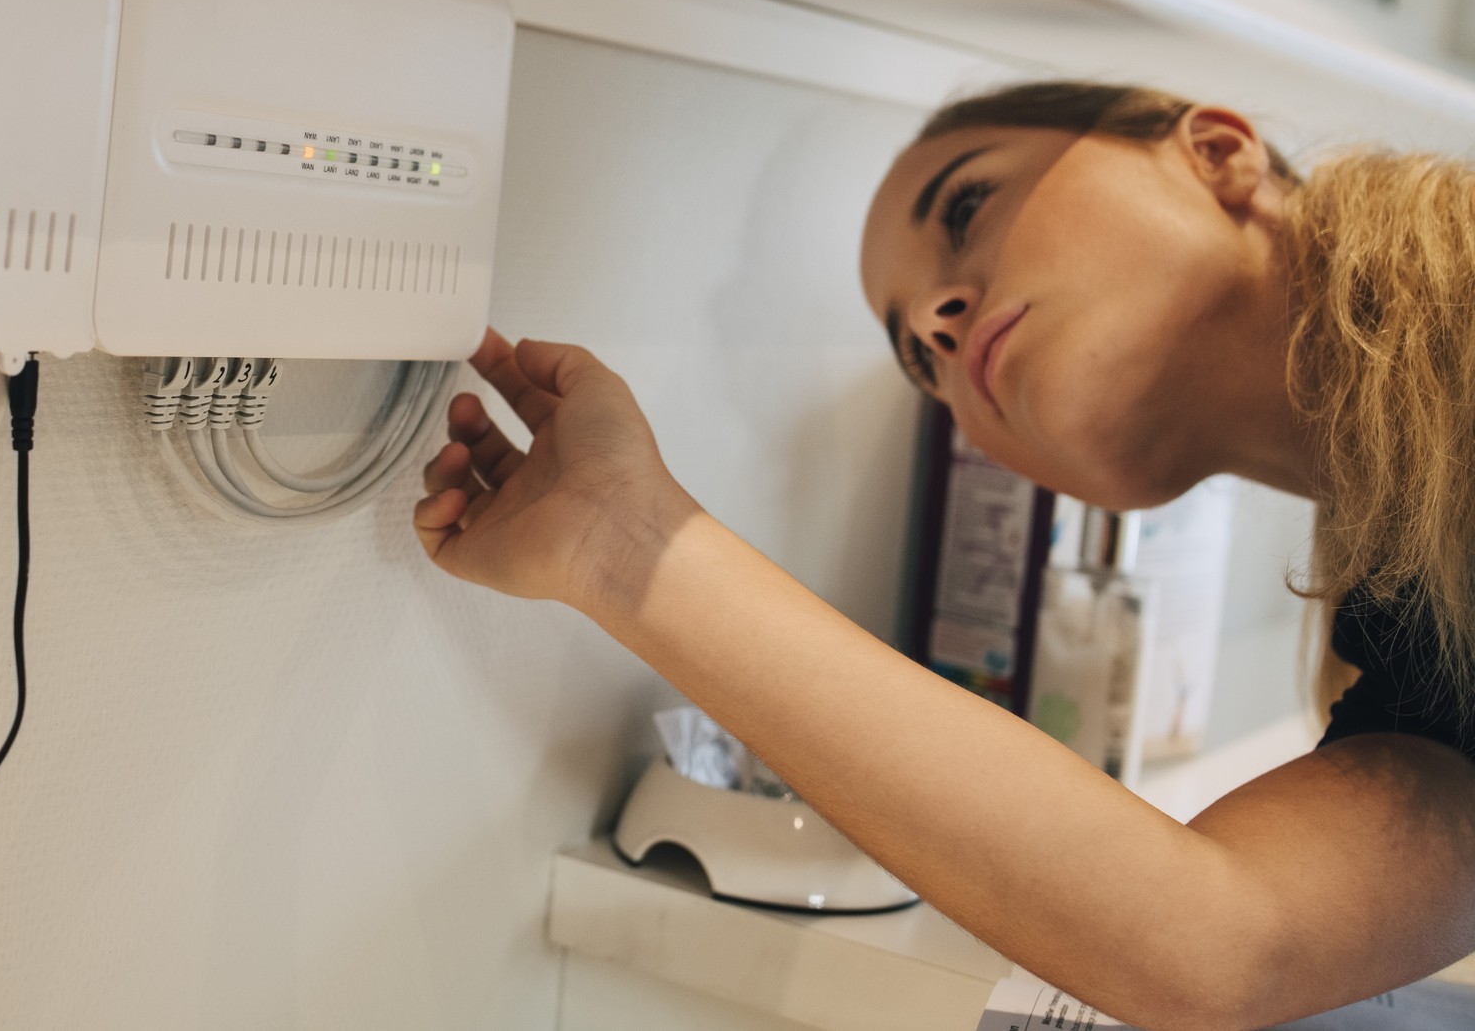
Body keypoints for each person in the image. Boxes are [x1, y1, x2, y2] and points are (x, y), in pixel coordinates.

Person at [411, 81, 1475, 1031]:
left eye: (966, 209)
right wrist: (617, 541)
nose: (934, 317)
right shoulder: (1421, 640)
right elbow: (1224, 942)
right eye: (921, 361)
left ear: (1215, 152)